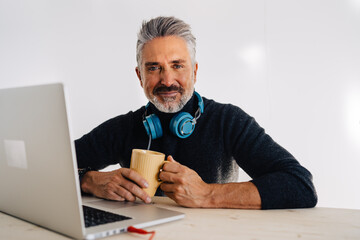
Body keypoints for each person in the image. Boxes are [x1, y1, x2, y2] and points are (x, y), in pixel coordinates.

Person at [75, 16, 317, 209]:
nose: (167, 80)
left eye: (177, 65)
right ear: (140, 76)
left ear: (195, 71)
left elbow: (299, 185)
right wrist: (88, 180)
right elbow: (46, 167)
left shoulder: (229, 121)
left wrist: (208, 194)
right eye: (154, 68)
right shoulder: (124, 128)